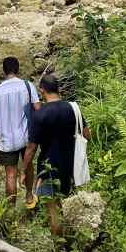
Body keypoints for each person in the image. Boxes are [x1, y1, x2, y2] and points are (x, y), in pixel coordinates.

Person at [21, 73, 90, 236]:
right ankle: (71, 240)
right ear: (58, 89)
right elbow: (87, 134)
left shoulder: (39, 115)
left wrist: (24, 170)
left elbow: (31, 148)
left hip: (48, 168)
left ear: (42, 90)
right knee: (62, 204)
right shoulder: (73, 108)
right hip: (70, 166)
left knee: (54, 213)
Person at [0, 56, 41, 206]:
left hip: (6, 141)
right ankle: (29, 196)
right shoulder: (27, 86)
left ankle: (11, 208)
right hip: (26, 138)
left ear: (4, 72)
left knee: (10, 174)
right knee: (28, 166)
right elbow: (38, 109)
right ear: (17, 70)